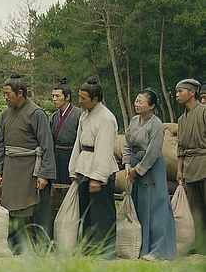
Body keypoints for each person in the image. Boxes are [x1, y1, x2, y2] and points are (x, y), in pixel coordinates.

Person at [0, 73, 56, 252]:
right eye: (4, 94)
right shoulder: (4, 116)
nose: (5, 97)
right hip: (11, 168)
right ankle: (16, 246)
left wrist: (44, 174)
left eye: (8, 94)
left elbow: (47, 145)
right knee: (11, 208)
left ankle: (43, 246)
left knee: (38, 209)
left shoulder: (36, 113)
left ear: (20, 93)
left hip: (32, 169)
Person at [123, 88, 177, 260]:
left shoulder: (156, 124)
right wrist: (127, 164)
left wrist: (138, 170)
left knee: (156, 205)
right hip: (133, 164)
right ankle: (141, 246)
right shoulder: (133, 120)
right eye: (136, 100)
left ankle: (159, 250)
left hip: (151, 167)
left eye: (141, 102)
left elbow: (153, 151)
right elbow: (126, 143)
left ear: (151, 105)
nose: (137, 104)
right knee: (140, 205)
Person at [68, 76, 119, 257]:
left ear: (95, 99)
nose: (80, 101)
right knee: (87, 213)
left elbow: (104, 148)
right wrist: (74, 168)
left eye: (84, 98)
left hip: (101, 168)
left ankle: (105, 251)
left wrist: (98, 176)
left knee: (102, 213)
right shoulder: (84, 115)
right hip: (85, 165)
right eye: (79, 97)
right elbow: (78, 143)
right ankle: (88, 249)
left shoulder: (106, 118)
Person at [175, 78, 206, 253]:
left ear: (192, 92)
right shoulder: (181, 120)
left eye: (180, 91)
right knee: (196, 209)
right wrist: (179, 169)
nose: (177, 95)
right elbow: (181, 147)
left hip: (204, 163)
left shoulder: (204, 112)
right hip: (190, 166)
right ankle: (201, 245)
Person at [50, 78, 80, 185]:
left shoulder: (79, 115)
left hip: (72, 155)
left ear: (67, 97)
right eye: (53, 96)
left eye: (57, 96)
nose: (54, 99)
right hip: (57, 156)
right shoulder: (54, 117)